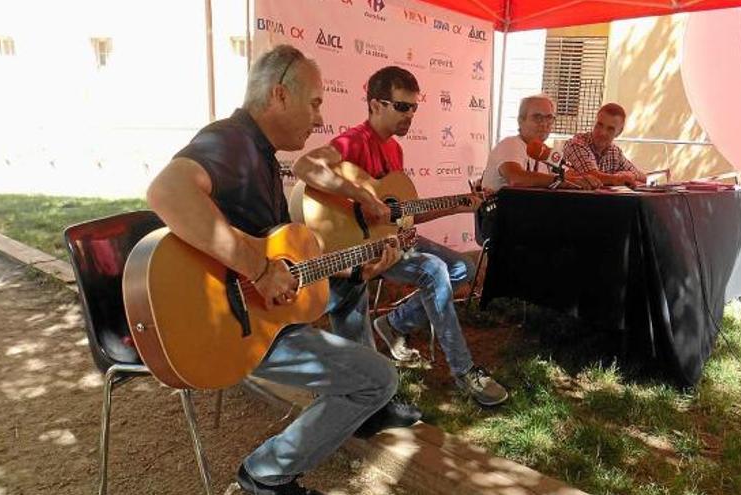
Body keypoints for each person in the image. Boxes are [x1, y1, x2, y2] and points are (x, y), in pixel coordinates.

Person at [146, 45, 403, 495]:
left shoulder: (262, 154)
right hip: (225, 330)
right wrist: (260, 270)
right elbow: (167, 191)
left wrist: (358, 267)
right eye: (316, 102)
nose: (321, 117)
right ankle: (265, 475)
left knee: (373, 370)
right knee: (378, 380)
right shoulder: (231, 140)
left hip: (258, 323)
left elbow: (291, 266)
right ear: (280, 95)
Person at [293, 66, 509, 407]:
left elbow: (401, 216)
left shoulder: (395, 150)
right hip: (358, 252)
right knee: (435, 271)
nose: (410, 115)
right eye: (402, 107)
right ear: (376, 105)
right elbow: (305, 167)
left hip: (391, 243)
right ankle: (464, 371)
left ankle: (394, 324)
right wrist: (364, 197)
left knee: (462, 270)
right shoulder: (353, 140)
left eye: (414, 108)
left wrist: (460, 206)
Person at [482, 94, 600, 192]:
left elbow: (570, 175)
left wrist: (584, 179)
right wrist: (559, 181)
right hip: (506, 217)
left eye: (549, 118)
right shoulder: (510, 144)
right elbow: (516, 178)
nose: (544, 124)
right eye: (537, 117)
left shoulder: (545, 151)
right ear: (520, 121)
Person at [562, 102, 647, 186]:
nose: (602, 132)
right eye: (599, 125)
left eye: (610, 129)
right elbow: (592, 176)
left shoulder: (615, 152)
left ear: (619, 133)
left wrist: (632, 175)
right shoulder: (576, 144)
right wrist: (618, 179)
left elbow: (643, 178)